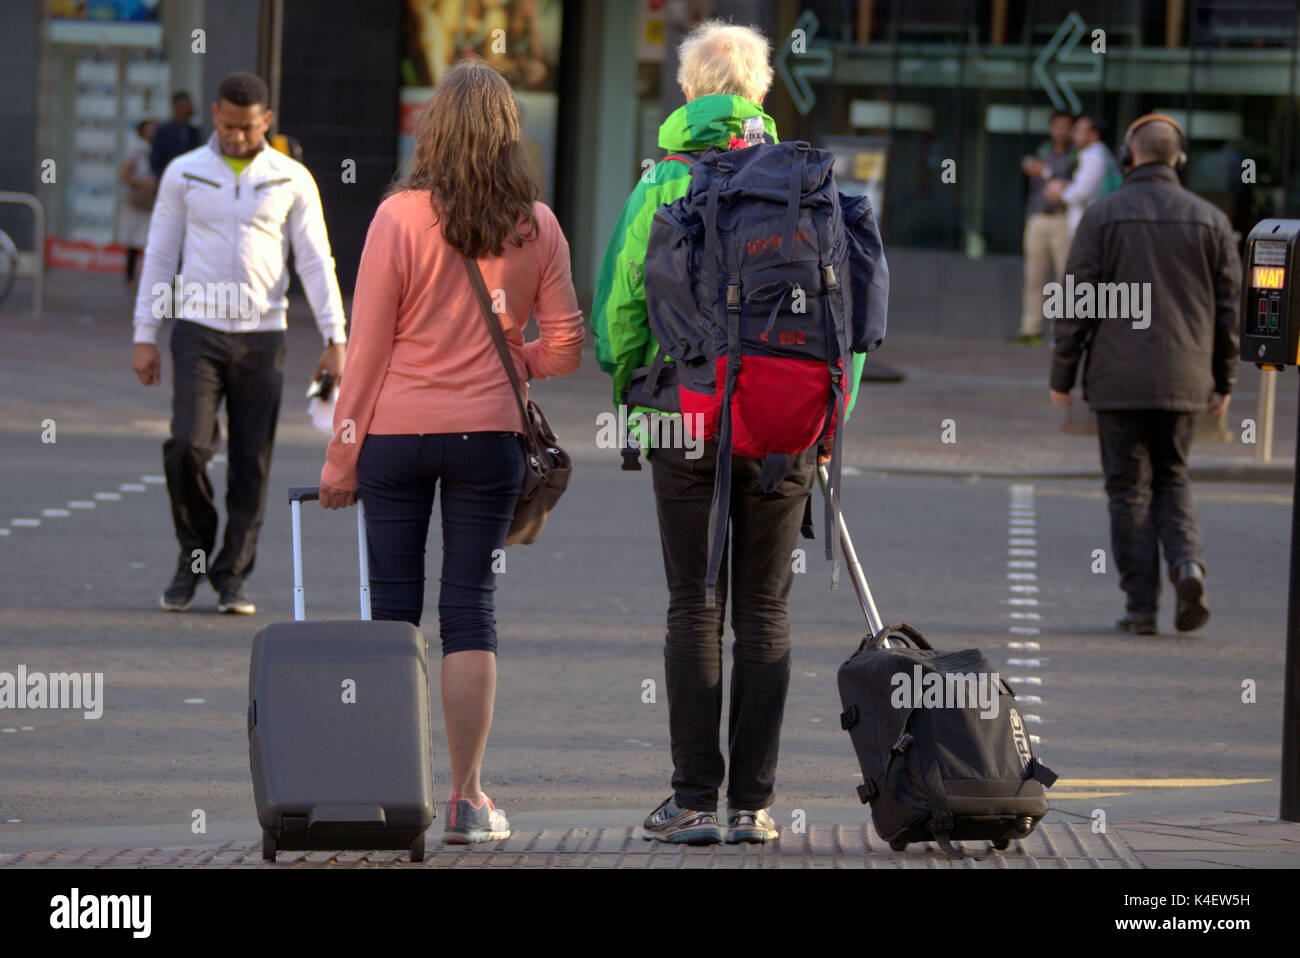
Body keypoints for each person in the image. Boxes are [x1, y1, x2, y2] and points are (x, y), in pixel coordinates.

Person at [593, 20, 879, 846]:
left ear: (690, 94)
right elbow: (848, 326)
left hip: (688, 417)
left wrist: (641, 389)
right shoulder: (808, 186)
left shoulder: (663, 183)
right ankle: (754, 806)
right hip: (787, 425)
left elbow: (619, 316)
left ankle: (690, 801)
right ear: (759, 95)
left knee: (695, 604)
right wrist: (828, 420)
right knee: (765, 608)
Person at [319, 60, 583, 844]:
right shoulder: (536, 223)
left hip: (395, 438)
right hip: (489, 440)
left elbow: (365, 352)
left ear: (432, 128)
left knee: (391, 616)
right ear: (510, 136)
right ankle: (468, 801)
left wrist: (342, 456)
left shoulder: (397, 218)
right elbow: (567, 348)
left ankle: (387, 796)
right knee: (470, 611)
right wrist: (507, 358)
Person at [130, 72, 348, 615]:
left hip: (261, 336)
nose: (235, 136)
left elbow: (316, 260)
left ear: (266, 121)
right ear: (214, 115)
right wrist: (144, 335)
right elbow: (159, 255)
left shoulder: (291, 178)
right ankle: (194, 557)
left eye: (247, 127)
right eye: (227, 125)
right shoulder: (184, 174)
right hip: (197, 331)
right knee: (187, 445)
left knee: (252, 461)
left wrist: (335, 337)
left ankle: (232, 576)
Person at [1050, 114, 1241, 636]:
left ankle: (1140, 608)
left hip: (1117, 381)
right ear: (1178, 159)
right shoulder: (1211, 221)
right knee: (1173, 478)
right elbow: (1229, 311)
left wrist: (1062, 374)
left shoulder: (1102, 215)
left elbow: (1075, 302)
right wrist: (1223, 381)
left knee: (1128, 490)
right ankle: (1188, 566)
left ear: (1129, 156)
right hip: (1185, 379)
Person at [1011, 110, 1075, 345]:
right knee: (1034, 277)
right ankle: (1030, 328)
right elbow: (1027, 165)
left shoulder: (1077, 155)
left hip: (1063, 218)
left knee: (1064, 277)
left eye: (1066, 126)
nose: (1061, 131)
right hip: (1038, 217)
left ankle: (1061, 330)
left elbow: (1073, 184)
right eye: (1057, 126)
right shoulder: (1043, 150)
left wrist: (1046, 172)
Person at [1044, 114, 1116, 237]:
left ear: (1094, 135)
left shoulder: (1093, 156)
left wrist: (1059, 192)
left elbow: (1081, 193)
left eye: (1078, 130)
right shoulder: (1098, 154)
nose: (1073, 135)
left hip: (1089, 228)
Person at [118, 119, 157, 284]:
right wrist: (146, 183)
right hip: (139, 202)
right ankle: (130, 277)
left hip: (154, 203)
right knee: (134, 241)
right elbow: (124, 176)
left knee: (152, 242)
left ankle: (149, 279)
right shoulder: (136, 151)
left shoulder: (161, 149)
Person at [150, 91, 201, 178]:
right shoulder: (164, 131)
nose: (191, 108)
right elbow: (156, 159)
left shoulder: (194, 132)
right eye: (187, 105)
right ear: (178, 107)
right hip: (170, 177)